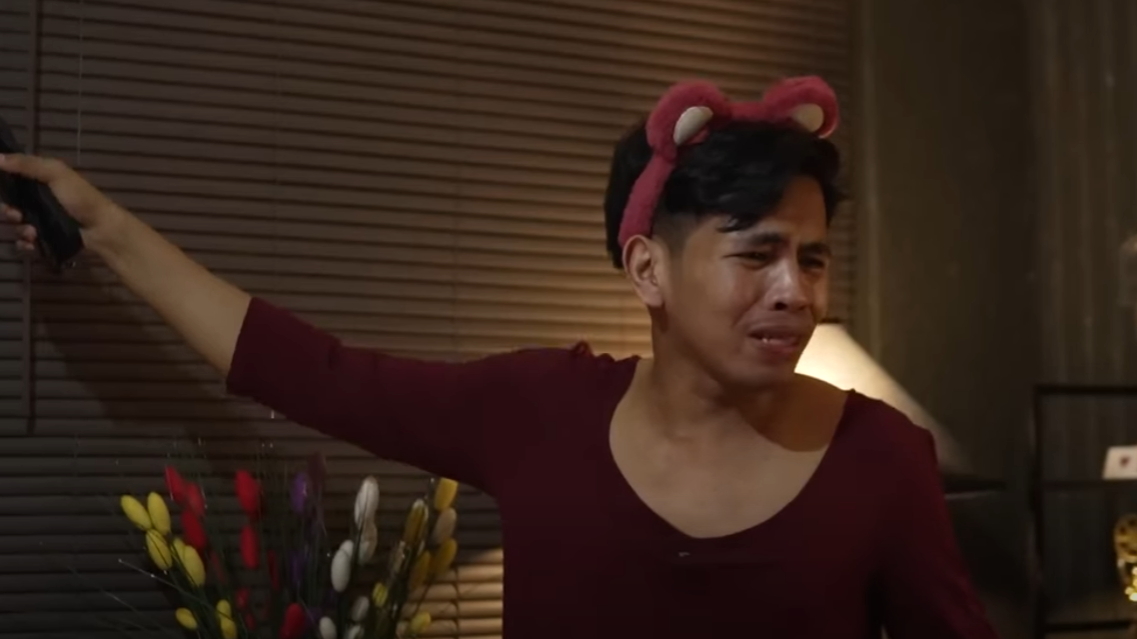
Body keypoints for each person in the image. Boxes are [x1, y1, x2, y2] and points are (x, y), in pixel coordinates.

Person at [0, 76, 998, 638]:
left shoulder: (882, 458)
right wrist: (107, 229)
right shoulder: (540, 411)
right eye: (758, 254)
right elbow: (311, 372)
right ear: (648, 269)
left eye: (813, 258)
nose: (797, 292)